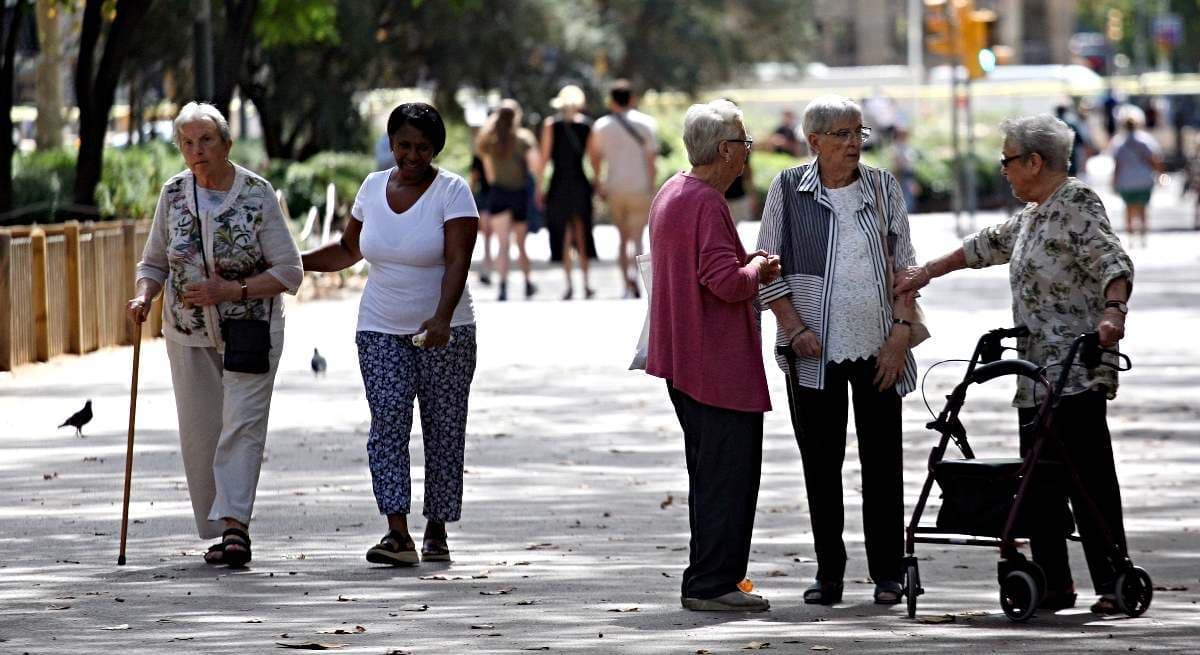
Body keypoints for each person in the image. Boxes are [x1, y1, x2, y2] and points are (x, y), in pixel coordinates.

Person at [894, 113, 1135, 615]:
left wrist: (1114, 313)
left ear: (1034, 160)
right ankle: (1051, 583)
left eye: (1007, 160)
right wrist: (924, 273)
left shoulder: (1076, 204)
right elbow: (984, 246)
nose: (1003, 170)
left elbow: (1114, 262)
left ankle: (1114, 580)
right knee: (1040, 481)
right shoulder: (1032, 215)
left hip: (1076, 370)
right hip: (1034, 374)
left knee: (1087, 479)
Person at [756, 95, 920, 606]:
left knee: (883, 461)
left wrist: (900, 333)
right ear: (815, 142)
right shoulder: (787, 189)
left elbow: (905, 265)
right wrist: (792, 325)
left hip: (879, 346)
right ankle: (829, 575)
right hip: (812, 349)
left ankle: (889, 572)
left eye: (858, 134)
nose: (854, 144)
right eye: (843, 135)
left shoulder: (882, 185)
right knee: (821, 464)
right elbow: (767, 266)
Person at [301, 102, 480, 566]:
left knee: (443, 429)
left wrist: (442, 318)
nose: (412, 155)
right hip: (379, 327)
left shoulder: (453, 192)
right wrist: (293, 263)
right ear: (391, 143)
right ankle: (397, 534)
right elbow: (347, 249)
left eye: (423, 146)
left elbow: (458, 260)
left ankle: (436, 527)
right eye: (404, 145)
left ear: (436, 147)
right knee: (388, 424)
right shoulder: (373, 187)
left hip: (446, 331)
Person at [127, 101, 302, 567]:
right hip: (186, 332)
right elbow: (154, 263)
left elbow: (290, 270)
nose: (196, 150)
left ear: (226, 143)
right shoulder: (175, 193)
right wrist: (144, 296)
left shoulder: (256, 193)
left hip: (249, 329)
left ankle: (234, 529)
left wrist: (232, 289)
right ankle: (219, 526)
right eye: (187, 142)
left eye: (206, 140)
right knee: (202, 433)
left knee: (241, 426)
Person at [646, 99, 781, 612]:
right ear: (725, 150)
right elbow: (725, 282)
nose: (747, 155)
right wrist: (761, 269)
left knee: (709, 474)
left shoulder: (673, 190)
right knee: (729, 477)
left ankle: (708, 577)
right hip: (715, 364)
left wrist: (744, 263)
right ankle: (714, 583)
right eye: (744, 144)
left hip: (685, 359)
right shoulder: (705, 201)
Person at [590, 80, 657, 298]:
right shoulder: (646, 124)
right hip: (639, 186)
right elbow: (651, 160)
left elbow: (595, 157)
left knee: (622, 237)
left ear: (611, 101)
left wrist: (599, 182)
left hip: (615, 186)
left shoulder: (601, 126)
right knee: (638, 237)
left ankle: (625, 283)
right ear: (632, 99)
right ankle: (636, 277)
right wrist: (653, 187)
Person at [476, 99, 541, 300]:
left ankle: (502, 286)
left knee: (502, 244)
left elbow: (489, 175)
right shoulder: (523, 139)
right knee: (520, 243)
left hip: (498, 193)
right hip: (518, 193)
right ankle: (527, 282)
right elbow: (536, 165)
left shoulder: (489, 140)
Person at [540, 84, 596, 299]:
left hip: (559, 183)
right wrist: (597, 182)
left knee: (564, 234)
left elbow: (545, 159)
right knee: (582, 232)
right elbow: (592, 160)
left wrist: (539, 186)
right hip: (579, 183)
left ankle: (569, 283)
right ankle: (587, 282)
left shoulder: (550, 125)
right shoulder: (587, 126)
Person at [1109, 105, 1162, 243]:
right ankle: (1143, 235)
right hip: (1144, 178)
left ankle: (1131, 237)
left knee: (1129, 208)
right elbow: (1155, 159)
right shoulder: (1146, 140)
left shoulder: (1118, 142)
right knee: (1143, 208)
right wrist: (1160, 175)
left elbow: (1117, 165)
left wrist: (1114, 181)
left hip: (1126, 180)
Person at [468, 149, 494, 285]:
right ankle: (488, 270)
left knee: (487, 237)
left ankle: (487, 270)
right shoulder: (501, 151)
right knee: (489, 237)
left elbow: (473, 178)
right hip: (493, 196)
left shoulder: (479, 155)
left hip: (487, 197)